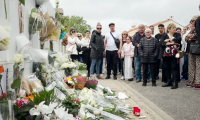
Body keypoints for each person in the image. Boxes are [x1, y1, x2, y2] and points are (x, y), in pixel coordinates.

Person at [160, 23, 181, 89]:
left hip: (174, 54)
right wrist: (170, 42)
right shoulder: (164, 35)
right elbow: (161, 43)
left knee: (174, 68)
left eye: (175, 27)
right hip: (166, 55)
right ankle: (169, 81)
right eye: (173, 28)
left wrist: (168, 41)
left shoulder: (177, 34)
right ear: (169, 29)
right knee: (167, 68)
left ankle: (175, 82)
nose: (175, 29)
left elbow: (178, 40)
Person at [185, 15, 200, 89]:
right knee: (191, 66)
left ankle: (198, 82)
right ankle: (192, 82)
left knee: (198, 67)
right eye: (191, 21)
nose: (192, 22)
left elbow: (195, 35)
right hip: (191, 50)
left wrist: (190, 37)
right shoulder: (191, 29)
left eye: (193, 21)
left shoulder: (198, 28)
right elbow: (185, 38)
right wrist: (190, 37)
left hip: (198, 50)